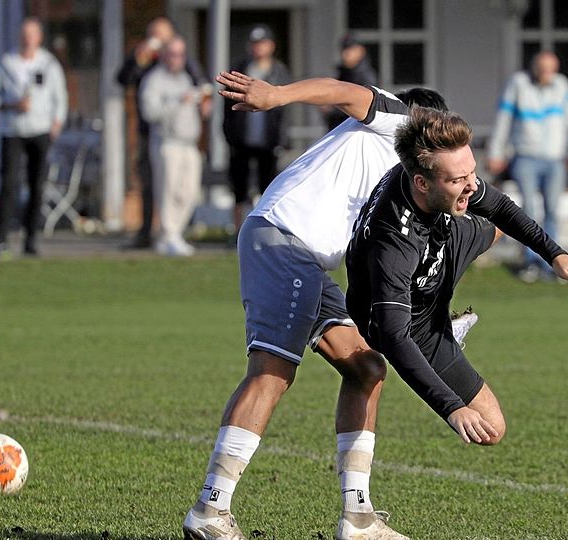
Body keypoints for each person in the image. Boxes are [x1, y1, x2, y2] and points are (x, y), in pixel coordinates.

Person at [183, 71, 452, 540]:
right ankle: (210, 508)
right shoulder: (397, 120)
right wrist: (276, 96)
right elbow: (345, 90)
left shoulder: (400, 184)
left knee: (367, 368)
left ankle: (358, 518)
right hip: (284, 239)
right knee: (272, 370)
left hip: (305, 259)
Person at [345, 105, 568, 472]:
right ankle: (444, 325)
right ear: (422, 182)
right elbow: (393, 337)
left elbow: (500, 206)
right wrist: (451, 407)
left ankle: (446, 313)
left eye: (473, 172)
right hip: (407, 324)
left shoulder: (450, 180)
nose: (471, 184)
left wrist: (554, 254)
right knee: (488, 427)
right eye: (458, 179)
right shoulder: (394, 244)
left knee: (493, 218)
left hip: (443, 244)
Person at [486, 51, 568, 282]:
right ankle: (530, 261)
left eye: (551, 69)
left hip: (555, 159)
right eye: (543, 69)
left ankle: (554, 262)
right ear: (534, 67)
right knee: (528, 212)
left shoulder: (562, 86)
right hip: (525, 157)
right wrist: (496, 152)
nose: (546, 74)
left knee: (553, 211)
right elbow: (503, 120)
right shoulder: (518, 84)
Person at [117, 17, 206, 249]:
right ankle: (156, 235)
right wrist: (138, 57)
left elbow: (201, 85)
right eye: (153, 36)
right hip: (157, 135)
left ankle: (172, 234)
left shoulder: (185, 70)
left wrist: (202, 101)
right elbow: (124, 80)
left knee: (187, 190)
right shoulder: (148, 68)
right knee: (156, 187)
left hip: (187, 139)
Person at [0, 17, 67, 259]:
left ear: (39, 37)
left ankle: (31, 239)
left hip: (40, 130)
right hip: (13, 131)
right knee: (9, 184)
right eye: (24, 34)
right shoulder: (6, 63)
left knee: (36, 185)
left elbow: (59, 96)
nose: (27, 38)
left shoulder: (49, 64)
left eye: (32, 34)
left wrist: (56, 123)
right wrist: (11, 105)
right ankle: (0, 239)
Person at [139, 36, 211, 257]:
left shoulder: (186, 79)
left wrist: (203, 107)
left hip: (189, 143)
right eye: (173, 54)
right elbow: (150, 113)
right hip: (167, 143)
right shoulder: (154, 80)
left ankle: (175, 234)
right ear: (163, 55)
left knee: (188, 192)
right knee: (168, 191)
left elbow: (196, 105)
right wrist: (178, 101)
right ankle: (168, 235)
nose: (177, 59)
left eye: (181, 54)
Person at [223, 25, 291, 238]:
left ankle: (264, 232)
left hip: (268, 141)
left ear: (270, 46)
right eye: (254, 44)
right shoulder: (241, 69)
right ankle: (238, 232)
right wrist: (229, 135)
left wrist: (281, 137)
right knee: (239, 189)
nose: (258, 48)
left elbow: (285, 110)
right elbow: (227, 108)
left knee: (268, 188)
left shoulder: (279, 72)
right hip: (241, 140)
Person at [323, 34, 378, 131]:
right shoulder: (342, 72)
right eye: (344, 49)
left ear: (361, 51)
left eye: (350, 49)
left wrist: (332, 108)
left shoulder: (365, 76)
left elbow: (363, 106)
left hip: (355, 130)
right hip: (339, 127)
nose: (346, 54)